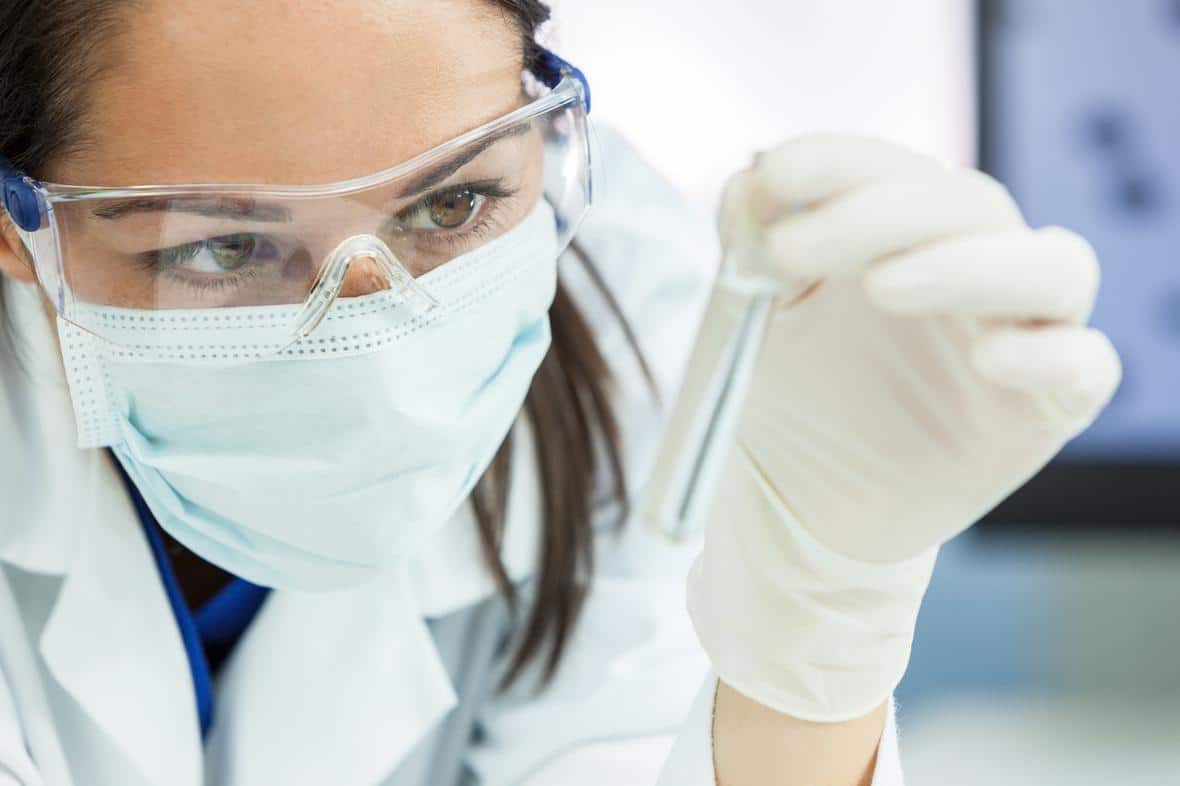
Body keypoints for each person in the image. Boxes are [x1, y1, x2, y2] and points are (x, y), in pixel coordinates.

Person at [0, 1, 1121, 784]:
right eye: (224, 247)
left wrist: (821, 620)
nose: (376, 353)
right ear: (17, 231)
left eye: (449, 208)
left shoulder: (632, 309)